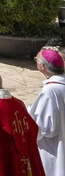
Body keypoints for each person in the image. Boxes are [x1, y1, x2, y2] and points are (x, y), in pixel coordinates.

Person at [31, 47, 65, 176]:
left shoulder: (50, 91)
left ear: (41, 66)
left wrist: (30, 112)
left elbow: (46, 128)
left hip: (53, 151)